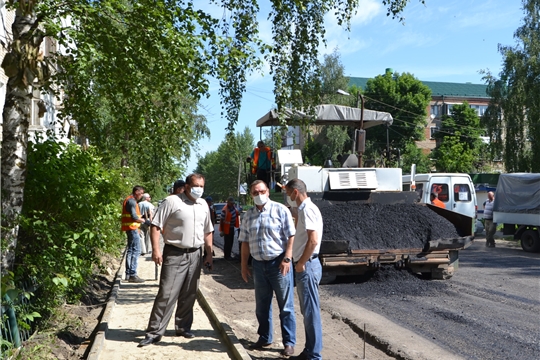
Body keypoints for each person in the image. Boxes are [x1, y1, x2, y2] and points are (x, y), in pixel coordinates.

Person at [138, 173, 214, 347]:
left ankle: (183, 327)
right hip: (175, 253)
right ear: (186, 186)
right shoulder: (172, 202)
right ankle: (154, 332)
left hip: (195, 253)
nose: (199, 190)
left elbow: (208, 231)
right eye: (196, 186)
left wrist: (209, 254)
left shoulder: (203, 204)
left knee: (190, 292)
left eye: (202, 186)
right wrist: (156, 250)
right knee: (167, 292)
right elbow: (156, 226)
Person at [238, 180, 296, 356]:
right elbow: (245, 242)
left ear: (268, 192)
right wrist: (243, 266)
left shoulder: (280, 210)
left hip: (278, 264)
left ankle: (289, 342)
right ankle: (265, 337)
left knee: (285, 306)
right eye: (255, 192)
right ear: (251, 194)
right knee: (262, 306)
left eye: (261, 191)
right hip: (258, 265)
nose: (259, 195)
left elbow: (291, 236)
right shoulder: (248, 215)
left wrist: (287, 258)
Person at [285, 179, 323, 360]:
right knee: (307, 311)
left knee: (310, 312)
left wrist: (300, 263)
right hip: (306, 265)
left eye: (287, 193)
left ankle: (314, 355)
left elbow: (313, 240)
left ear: (295, 192)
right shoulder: (304, 209)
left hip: (307, 266)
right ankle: (309, 351)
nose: (287, 197)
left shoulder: (307, 209)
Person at [121, 186, 149, 283]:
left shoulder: (129, 200)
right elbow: (134, 216)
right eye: (141, 193)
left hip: (130, 228)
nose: (141, 196)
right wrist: (143, 220)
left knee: (130, 250)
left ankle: (128, 274)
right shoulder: (132, 201)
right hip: (132, 228)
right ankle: (133, 274)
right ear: (136, 192)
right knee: (136, 251)